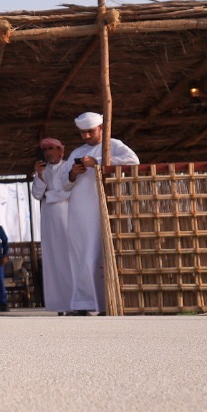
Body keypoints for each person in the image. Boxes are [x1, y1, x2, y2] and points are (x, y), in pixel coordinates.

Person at [60, 111, 139, 315]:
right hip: (79, 211)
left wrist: (99, 163)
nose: (86, 137)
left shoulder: (113, 145)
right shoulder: (77, 151)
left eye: (90, 132)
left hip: (104, 209)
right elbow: (63, 184)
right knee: (81, 255)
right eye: (82, 133)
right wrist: (72, 174)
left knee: (99, 255)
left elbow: (133, 161)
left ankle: (106, 303)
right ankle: (83, 304)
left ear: (101, 128)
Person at [30, 136, 73, 314]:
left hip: (68, 218)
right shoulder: (42, 171)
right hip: (49, 220)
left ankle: (76, 302)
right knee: (53, 260)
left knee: (70, 258)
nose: (48, 153)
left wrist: (50, 196)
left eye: (51, 149)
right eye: (45, 150)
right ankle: (59, 304)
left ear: (60, 150)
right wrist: (39, 176)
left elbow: (68, 191)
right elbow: (37, 194)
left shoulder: (69, 167)